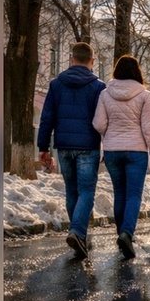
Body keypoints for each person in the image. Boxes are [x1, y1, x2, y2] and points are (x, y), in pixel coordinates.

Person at [38, 41, 107, 258]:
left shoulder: (56, 84)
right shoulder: (99, 87)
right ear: (92, 61)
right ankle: (77, 231)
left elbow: (47, 117)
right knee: (86, 191)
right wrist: (106, 144)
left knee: (71, 190)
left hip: (64, 145)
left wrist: (43, 146)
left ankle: (78, 235)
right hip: (88, 146)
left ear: (71, 59)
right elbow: (103, 120)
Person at [92, 55, 150, 259]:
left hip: (113, 151)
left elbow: (99, 124)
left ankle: (121, 235)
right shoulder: (144, 95)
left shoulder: (105, 93)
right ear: (137, 72)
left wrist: (111, 133)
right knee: (133, 194)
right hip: (136, 151)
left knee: (120, 193)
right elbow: (149, 129)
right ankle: (127, 233)